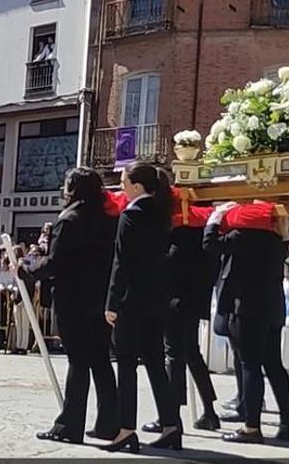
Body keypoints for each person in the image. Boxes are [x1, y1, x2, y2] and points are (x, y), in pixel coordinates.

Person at [33, 167, 119, 444]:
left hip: (73, 299)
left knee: (78, 361)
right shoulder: (107, 219)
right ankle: (108, 423)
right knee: (100, 361)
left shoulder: (69, 219)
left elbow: (56, 262)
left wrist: (29, 269)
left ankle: (70, 425)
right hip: (100, 298)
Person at [104, 163, 181, 453]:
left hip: (132, 299)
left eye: (123, 181)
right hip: (157, 298)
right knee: (155, 362)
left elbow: (121, 262)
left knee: (126, 363)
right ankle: (171, 425)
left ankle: (126, 429)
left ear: (137, 186)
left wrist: (112, 302)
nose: (120, 186)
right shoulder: (162, 214)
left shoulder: (131, 214)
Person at [204, 202, 289, 444]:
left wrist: (215, 218)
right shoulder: (278, 240)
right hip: (272, 306)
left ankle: (251, 427)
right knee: (274, 365)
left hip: (247, 307)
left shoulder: (243, 236)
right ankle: (287, 423)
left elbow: (210, 244)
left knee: (250, 365)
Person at [160, 223, 221, 431]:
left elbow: (167, 265)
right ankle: (209, 410)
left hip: (177, 302)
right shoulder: (202, 237)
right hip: (194, 303)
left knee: (175, 356)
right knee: (192, 355)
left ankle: (172, 416)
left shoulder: (178, 238)